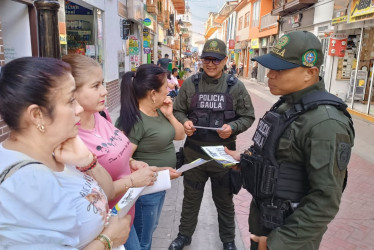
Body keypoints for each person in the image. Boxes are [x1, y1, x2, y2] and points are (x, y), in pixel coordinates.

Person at [225, 30, 355, 250]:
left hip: (289, 238)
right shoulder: (287, 106)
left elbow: (325, 200)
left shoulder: (325, 122)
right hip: (265, 224)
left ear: (309, 72)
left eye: (279, 70)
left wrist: (277, 243)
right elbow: (275, 157)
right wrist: (245, 159)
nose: (269, 75)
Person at [0, 57, 131, 249]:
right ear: (37, 115)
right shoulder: (27, 183)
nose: (78, 109)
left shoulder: (58, 150)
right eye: (70, 100)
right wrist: (108, 240)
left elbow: (107, 191)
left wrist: (87, 160)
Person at [62, 54, 159, 250]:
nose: (105, 91)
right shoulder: (69, 137)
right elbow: (90, 193)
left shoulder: (102, 114)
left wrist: (130, 162)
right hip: (102, 223)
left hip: (125, 210)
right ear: (72, 92)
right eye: (95, 86)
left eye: (103, 83)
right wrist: (133, 180)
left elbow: (114, 148)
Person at [169, 38, 256, 250]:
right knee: (190, 198)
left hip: (223, 156)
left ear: (225, 60)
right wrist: (185, 122)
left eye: (216, 60)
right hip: (194, 154)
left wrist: (233, 127)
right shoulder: (191, 83)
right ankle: (184, 235)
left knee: (224, 201)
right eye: (207, 59)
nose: (210, 64)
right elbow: (178, 109)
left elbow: (248, 116)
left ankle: (228, 240)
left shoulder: (236, 87)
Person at [116, 64, 185, 250]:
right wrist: (158, 172)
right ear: (153, 93)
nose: (169, 90)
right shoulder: (135, 120)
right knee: (141, 239)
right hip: (144, 192)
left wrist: (170, 115)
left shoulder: (159, 111)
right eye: (165, 88)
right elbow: (122, 160)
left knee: (150, 229)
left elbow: (180, 135)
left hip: (160, 185)